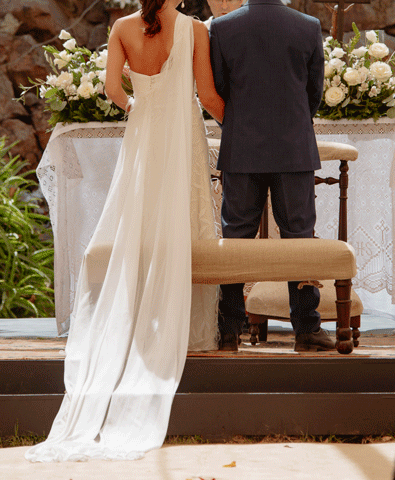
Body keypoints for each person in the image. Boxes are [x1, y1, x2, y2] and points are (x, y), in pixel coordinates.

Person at [25, 0, 224, 462]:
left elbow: (113, 88)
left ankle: (135, 320)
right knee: (185, 219)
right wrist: (239, 127)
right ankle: (191, 330)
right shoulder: (194, 28)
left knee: (141, 217)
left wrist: (137, 102)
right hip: (182, 136)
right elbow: (208, 95)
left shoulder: (121, 28)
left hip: (143, 135)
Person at [210, 0, 335, 352]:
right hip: (293, 147)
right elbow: (315, 93)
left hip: (242, 147)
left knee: (236, 238)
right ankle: (307, 329)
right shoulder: (308, 25)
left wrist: (238, 126)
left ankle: (229, 330)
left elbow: (220, 88)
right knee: (299, 236)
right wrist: (292, 123)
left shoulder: (221, 28)